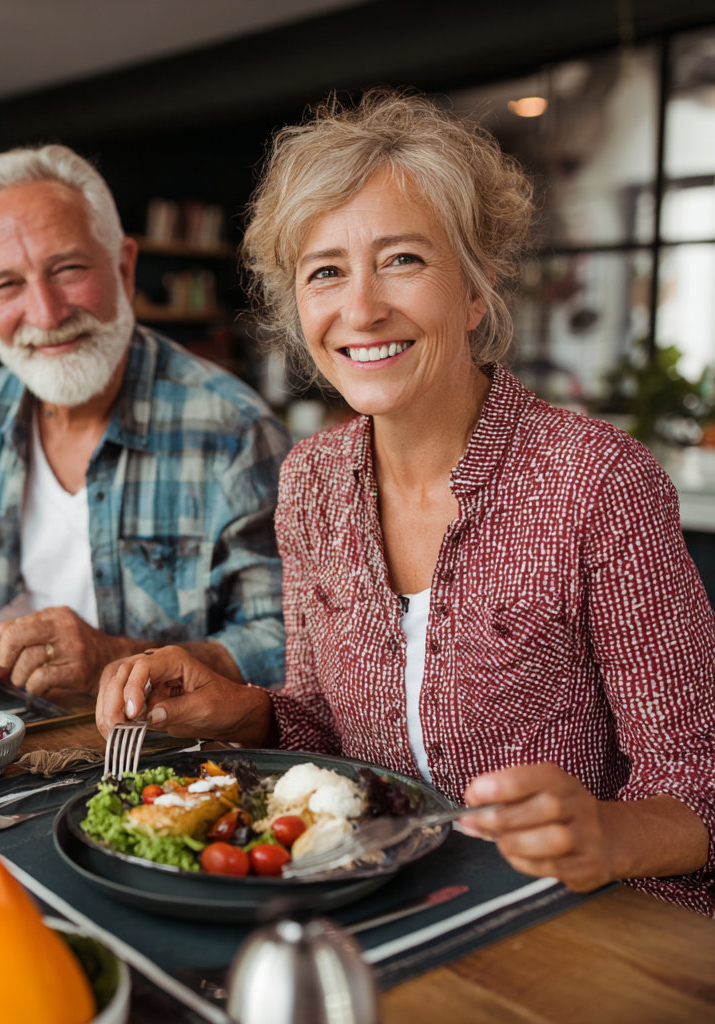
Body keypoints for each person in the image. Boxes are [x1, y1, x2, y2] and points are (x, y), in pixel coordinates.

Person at [98, 91, 715, 915]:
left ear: (476, 287)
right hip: (371, 905)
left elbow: (698, 790)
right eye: (326, 272)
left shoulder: (597, 482)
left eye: (403, 260)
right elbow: (326, 726)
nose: (361, 309)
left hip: (577, 925)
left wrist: (604, 833)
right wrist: (246, 711)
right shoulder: (312, 482)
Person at [0, 145, 291, 695]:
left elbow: (287, 643)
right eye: (6, 284)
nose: (47, 313)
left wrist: (116, 659)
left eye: (69, 269)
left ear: (124, 268)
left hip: (158, 760)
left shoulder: (234, 431)